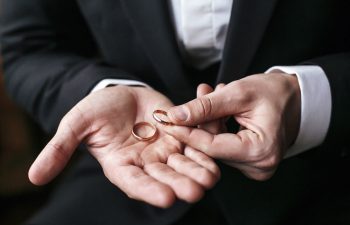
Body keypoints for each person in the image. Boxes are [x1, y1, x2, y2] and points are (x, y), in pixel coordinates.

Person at [1, 0, 350, 224]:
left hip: (328, 170)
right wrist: (101, 90)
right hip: (129, 163)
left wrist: (307, 101)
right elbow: (27, 46)